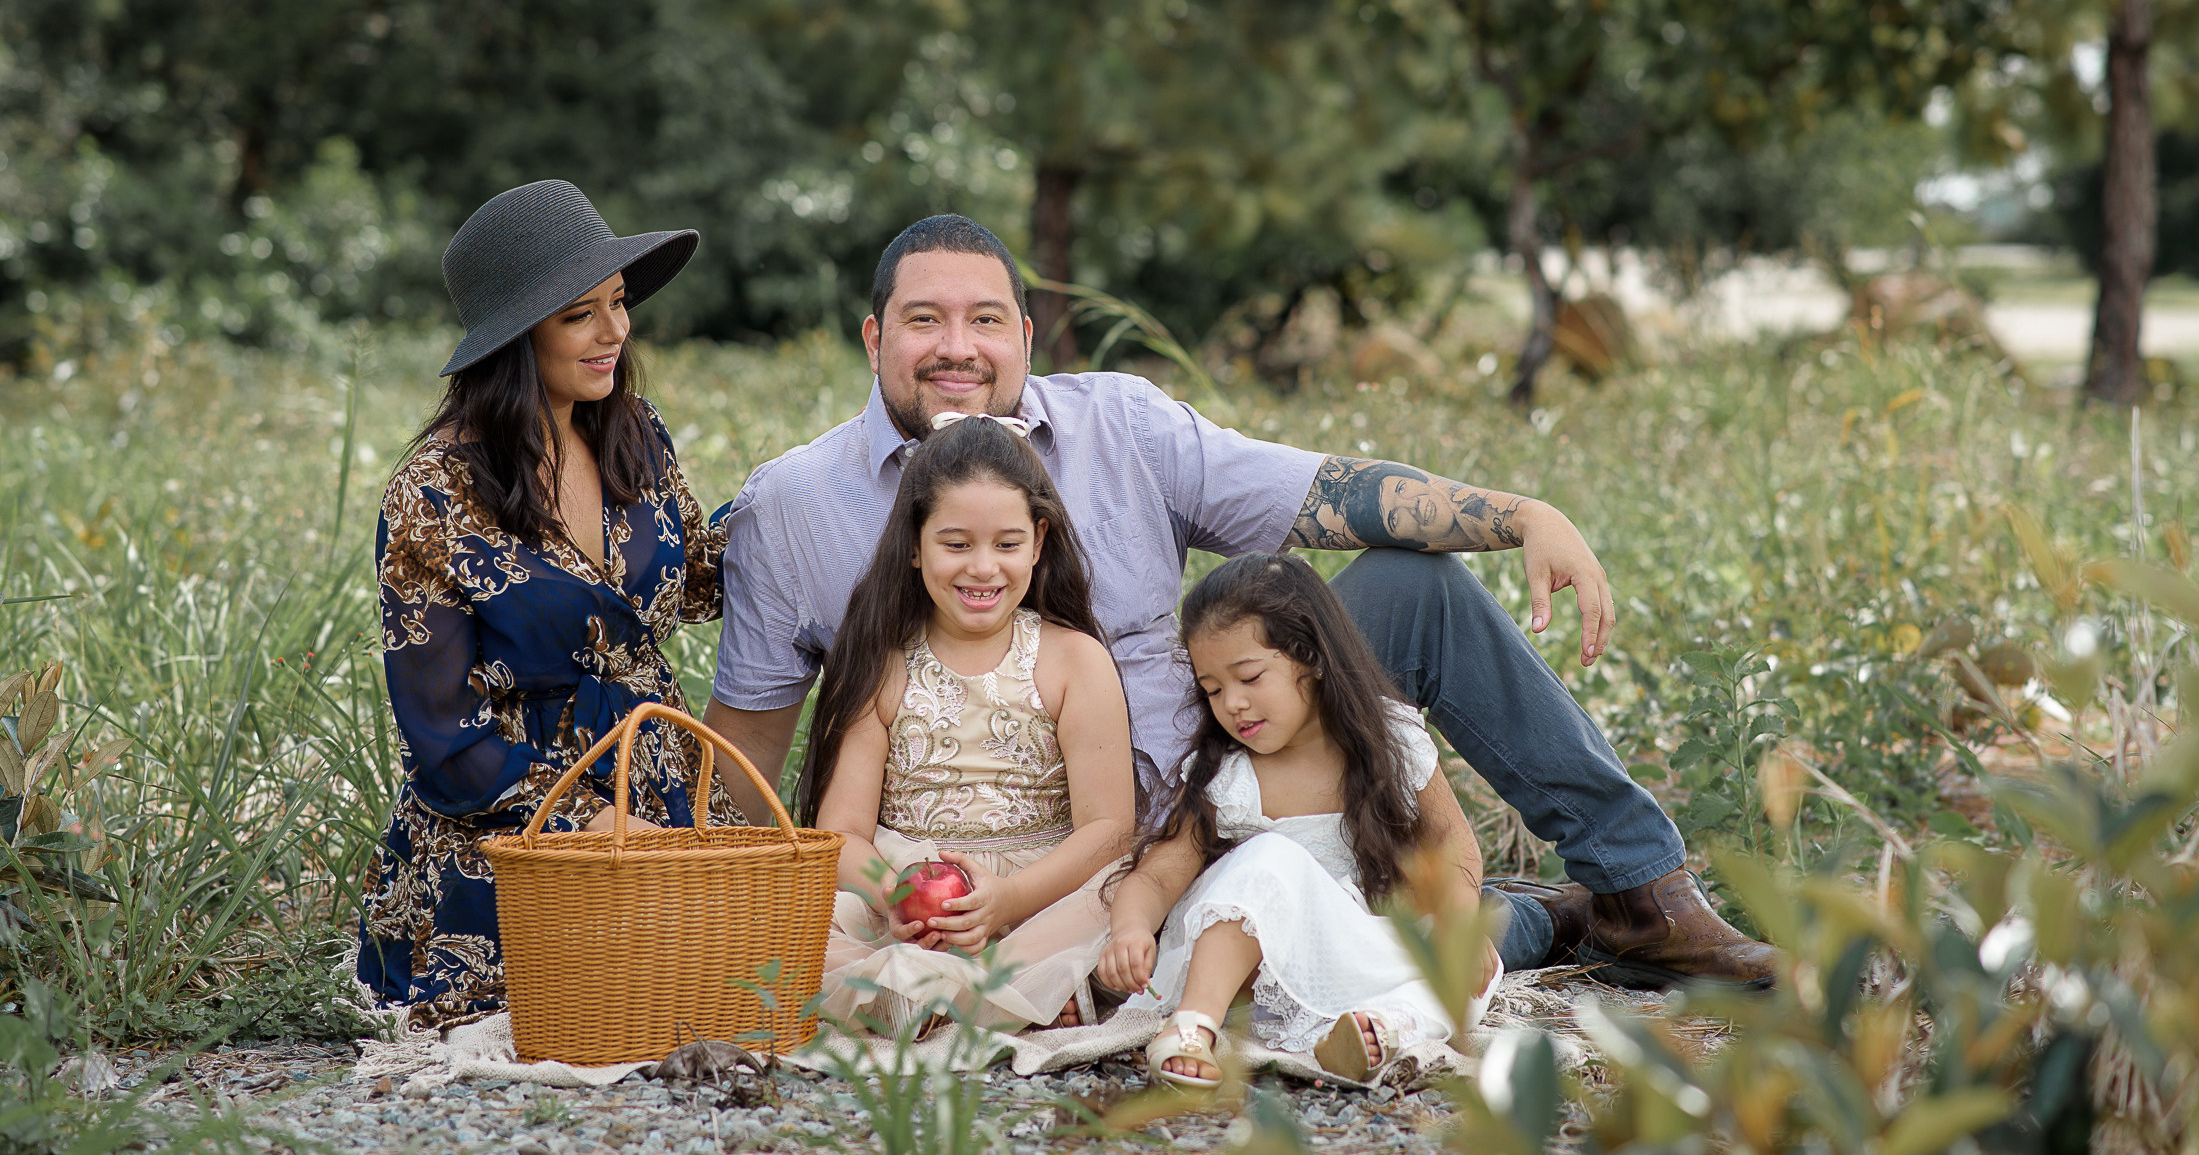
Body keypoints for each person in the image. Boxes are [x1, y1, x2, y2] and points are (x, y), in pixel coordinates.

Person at [706, 214, 1776, 988]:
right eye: (923, 319)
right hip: (1014, 849)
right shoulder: (793, 507)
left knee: (1414, 581)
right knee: (1253, 950)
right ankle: (1524, 925)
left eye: (986, 318)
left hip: (1232, 769)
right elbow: (744, 761)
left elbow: (1319, 495)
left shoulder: (1121, 426)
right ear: (872, 338)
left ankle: (1639, 892)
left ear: (1027, 338)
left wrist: (1520, 513)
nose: (957, 347)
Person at [358, 181, 741, 1025]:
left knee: (727, 998)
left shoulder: (634, 430)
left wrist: (802, 502)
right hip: (519, 830)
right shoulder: (433, 495)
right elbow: (445, 743)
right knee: (572, 1018)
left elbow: (695, 584)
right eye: (580, 315)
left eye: (618, 303)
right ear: (513, 337)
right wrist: (595, 822)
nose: (617, 333)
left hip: (664, 789)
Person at [1099, 553, 1497, 1087]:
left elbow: (1455, 843)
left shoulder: (1392, 742)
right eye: (1213, 690)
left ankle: (1378, 1029)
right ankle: (1192, 1025)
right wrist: (1129, 927)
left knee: (1471, 962)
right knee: (1270, 857)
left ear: (1311, 657)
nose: (1233, 704)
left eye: (1249, 677)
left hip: (1341, 958)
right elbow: (1157, 874)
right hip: (1239, 973)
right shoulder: (1229, 778)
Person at [799, 413, 1135, 1036]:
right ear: (913, 544)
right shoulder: (882, 663)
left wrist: (1009, 900)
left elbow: (1110, 830)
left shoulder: (1073, 660)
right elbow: (841, 832)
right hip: (905, 897)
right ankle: (1004, 997)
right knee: (789, 926)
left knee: (1116, 896)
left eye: (1007, 545)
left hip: (1040, 892)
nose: (983, 568)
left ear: (1038, 542)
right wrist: (894, 897)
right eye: (955, 545)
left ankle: (938, 993)